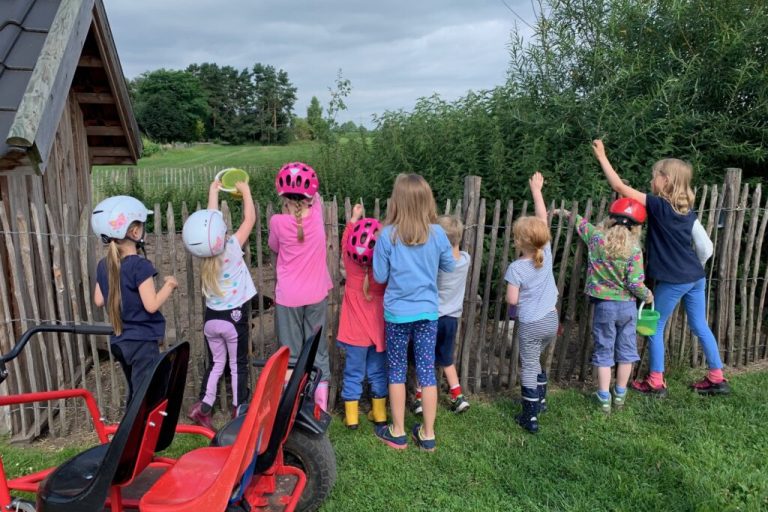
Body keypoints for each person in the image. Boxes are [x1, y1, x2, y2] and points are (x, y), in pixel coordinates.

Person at [593, 139, 730, 396]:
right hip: (695, 277)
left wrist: (602, 157)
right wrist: (691, 269)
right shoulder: (687, 212)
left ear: (665, 180)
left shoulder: (657, 205)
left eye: (654, 176)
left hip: (674, 279)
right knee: (700, 325)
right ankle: (717, 377)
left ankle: (655, 381)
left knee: (655, 326)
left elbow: (619, 186)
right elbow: (706, 248)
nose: (651, 180)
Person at [372, 174, 454, 451]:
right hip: (427, 314)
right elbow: (449, 267)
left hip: (397, 314)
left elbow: (380, 276)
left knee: (396, 370)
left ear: (397, 202)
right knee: (427, 371)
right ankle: (428, 434)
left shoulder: (387, 236)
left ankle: (397, 431)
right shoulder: (438, 234)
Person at [558, 198, 653, 412]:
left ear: (610, 220)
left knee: (604, 350)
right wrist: (647, 295)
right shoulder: (635, 250)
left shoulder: (597, 239)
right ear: (636, 227)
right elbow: (635, 283)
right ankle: (620, 395)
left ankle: (603, 398)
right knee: (627, 351)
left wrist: (564, 212)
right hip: (627, 307)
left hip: (604, 307)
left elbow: (581, 224)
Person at [182, 179, 256, 429]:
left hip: (211, 319)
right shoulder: (232, 248)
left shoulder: (204, 256)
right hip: (234, 319)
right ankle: (240, 409)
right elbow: (249, 221)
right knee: (237, 365)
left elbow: (209, 224)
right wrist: (246, 192)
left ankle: (203, 407)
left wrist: (212, 191)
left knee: (216, 364)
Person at [91, 195, 178, 403]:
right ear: (135, 231)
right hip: (141, 341)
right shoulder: (140, 266)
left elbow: (98, 300)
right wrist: (170, 285)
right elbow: (152, 305)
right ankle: (137, 432)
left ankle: (132, 428)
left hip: (120, 341)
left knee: (135, 390)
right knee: (145, 395)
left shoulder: (104, 264)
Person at [269, 162, 333, 410]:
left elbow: (274, 247)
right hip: (316, 294)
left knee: (291, 355)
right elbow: (316, 197)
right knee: (318, 351)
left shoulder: (277, 222)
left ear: (283, 196)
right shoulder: (317, 217)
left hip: (288, 298)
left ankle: (292, 408)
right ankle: (320, 410)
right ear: (309, 198)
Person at [504, 172, 558, 434]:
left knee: (528, 364)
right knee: (536, 359)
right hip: (551, 319)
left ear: (518, 242)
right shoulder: (545, 252)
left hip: (530, 322)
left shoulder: (516, 268)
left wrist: (512, 306)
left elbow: (512, 300)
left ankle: (530, 417)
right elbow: (543, 218)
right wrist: (537, 190)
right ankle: (542, 401)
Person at [412, 215, 471, 415]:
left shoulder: (436, 266)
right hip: (451, 320)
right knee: (446, 359)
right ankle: (458, 396)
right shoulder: (465, 260)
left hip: (431, 318)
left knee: (424, 359)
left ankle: (419, 399)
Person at [338, 205, 388, 429]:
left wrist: (353, 219)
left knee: (353, 372)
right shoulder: (382, 274)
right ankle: (379, 414)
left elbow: (344, 242)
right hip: (378, 332)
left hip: (354, 333)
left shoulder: (350, 265)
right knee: (378, 372)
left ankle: (352, 417)